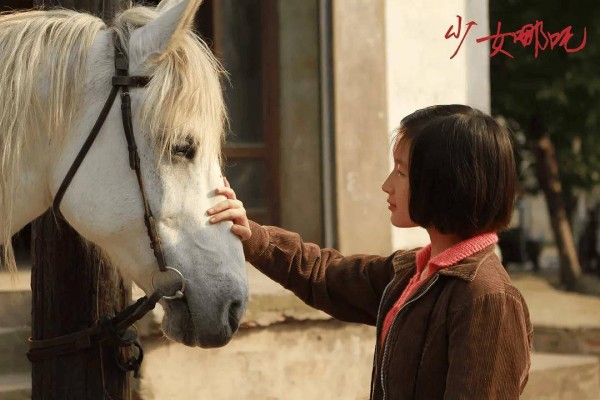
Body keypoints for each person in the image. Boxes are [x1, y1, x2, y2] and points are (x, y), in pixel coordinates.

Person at [208, 104, 532, 399]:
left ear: (446, 182)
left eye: (401, 172)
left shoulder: (487, 298)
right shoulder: (413, 272)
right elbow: (324, 274)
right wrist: (253, 236)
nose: (387, 185)